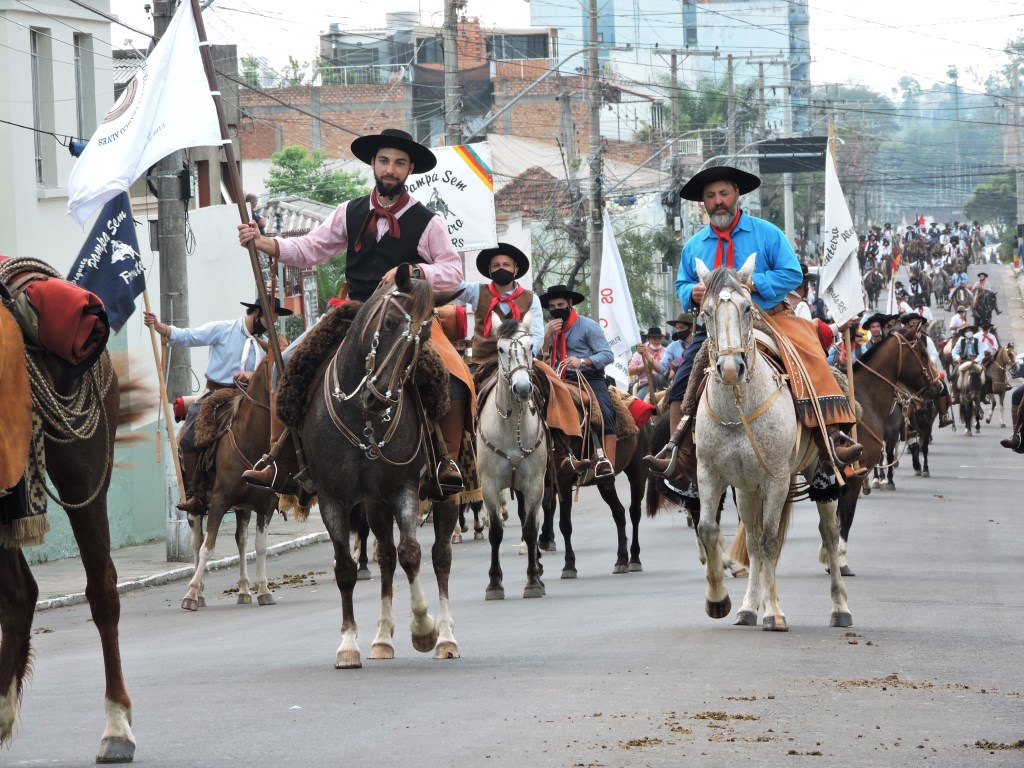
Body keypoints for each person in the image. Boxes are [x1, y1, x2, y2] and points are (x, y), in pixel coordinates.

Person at [237, 128, 470, 495]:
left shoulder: (429, 222)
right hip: (355, 313)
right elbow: (312, 248)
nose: (390, 169)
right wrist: (264, 242)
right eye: (383, 161)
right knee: (287, 364)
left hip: (405, 317)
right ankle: (279, 461)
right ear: (374, 165)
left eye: (398, 163)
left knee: (454, 376)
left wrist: (415, 271)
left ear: (409, 169)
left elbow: (454, 270)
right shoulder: (350, 211)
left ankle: (446, 461)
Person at [643, 165, 863, 495]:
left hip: (770, 318)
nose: (718, 201)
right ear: (703, 203)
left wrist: (753, 283)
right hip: (716, 327)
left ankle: (831, 442)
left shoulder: (767, 233)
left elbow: (792, 274)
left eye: (723, 194)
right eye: (710, 196)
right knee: (682, 381)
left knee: (810, 358)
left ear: (737, 195)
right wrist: (692, 292)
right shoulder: (694, 246)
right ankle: (678, 454)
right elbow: (682, 283)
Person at [143, 296, 292, 513]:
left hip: (245, 398)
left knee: (277, 431)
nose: (273, 325)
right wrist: (159, 327)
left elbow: (269, 375)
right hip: (215, 394)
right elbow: (189, 336)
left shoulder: (264, 347)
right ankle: (197, 494)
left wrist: (252, 375)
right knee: (188, 437)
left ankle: (276, 488)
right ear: (258, 314)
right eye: (271, 319)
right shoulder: (224, 329)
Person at [460, 243, 588, 475]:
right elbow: (450, 284)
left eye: (506, 264)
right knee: (459, 396)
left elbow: (538, 334)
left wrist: (525, 353)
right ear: (489, 270)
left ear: (515, 269)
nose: (501, 268)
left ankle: (563, 451)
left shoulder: (531, 299)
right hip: (482, 362)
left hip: (521, 360)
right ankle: (458, 458)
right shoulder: (476, 291)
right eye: (496, 265)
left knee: (555, 388)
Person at [540, 284, 616, 479]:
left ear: (570, 303)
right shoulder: (547, 330)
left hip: (589, 377)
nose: (557, 309)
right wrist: (547, 338)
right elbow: (543, 361)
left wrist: (582, 361)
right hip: (558, 378)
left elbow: (607, 355)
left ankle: (605, 460)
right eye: (553, 306)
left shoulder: (588, 326)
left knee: (605, 411)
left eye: (561, 304)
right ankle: (554, 455)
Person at [900, 313, 953, 427]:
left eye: (917, 323)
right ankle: (903, 422)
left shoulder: (926, 339)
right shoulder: (902, 340)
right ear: (908, 325)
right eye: (912, 324)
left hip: (924, 372)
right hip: (907, 374)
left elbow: (933, 355)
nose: (914, 326)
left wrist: (927, 363)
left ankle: (944, 415)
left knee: (942, 385)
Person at [627, 326, 667, 395]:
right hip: (646, 384)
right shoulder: (639, 353)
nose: (657, 341)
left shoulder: (667, 352)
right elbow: (630, 370)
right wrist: (643, 367)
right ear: (648, 339)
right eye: (654, 338)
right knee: (638, 405)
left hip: (665, 384)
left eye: (659, 338)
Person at [661, 313, 693, 380]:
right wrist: (649, 359)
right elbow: (663, 368)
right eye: (677, 328)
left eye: (681, 327)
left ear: (691, 328)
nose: (678, 331)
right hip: (679, 381)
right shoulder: (672, 347)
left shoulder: (700, 344)